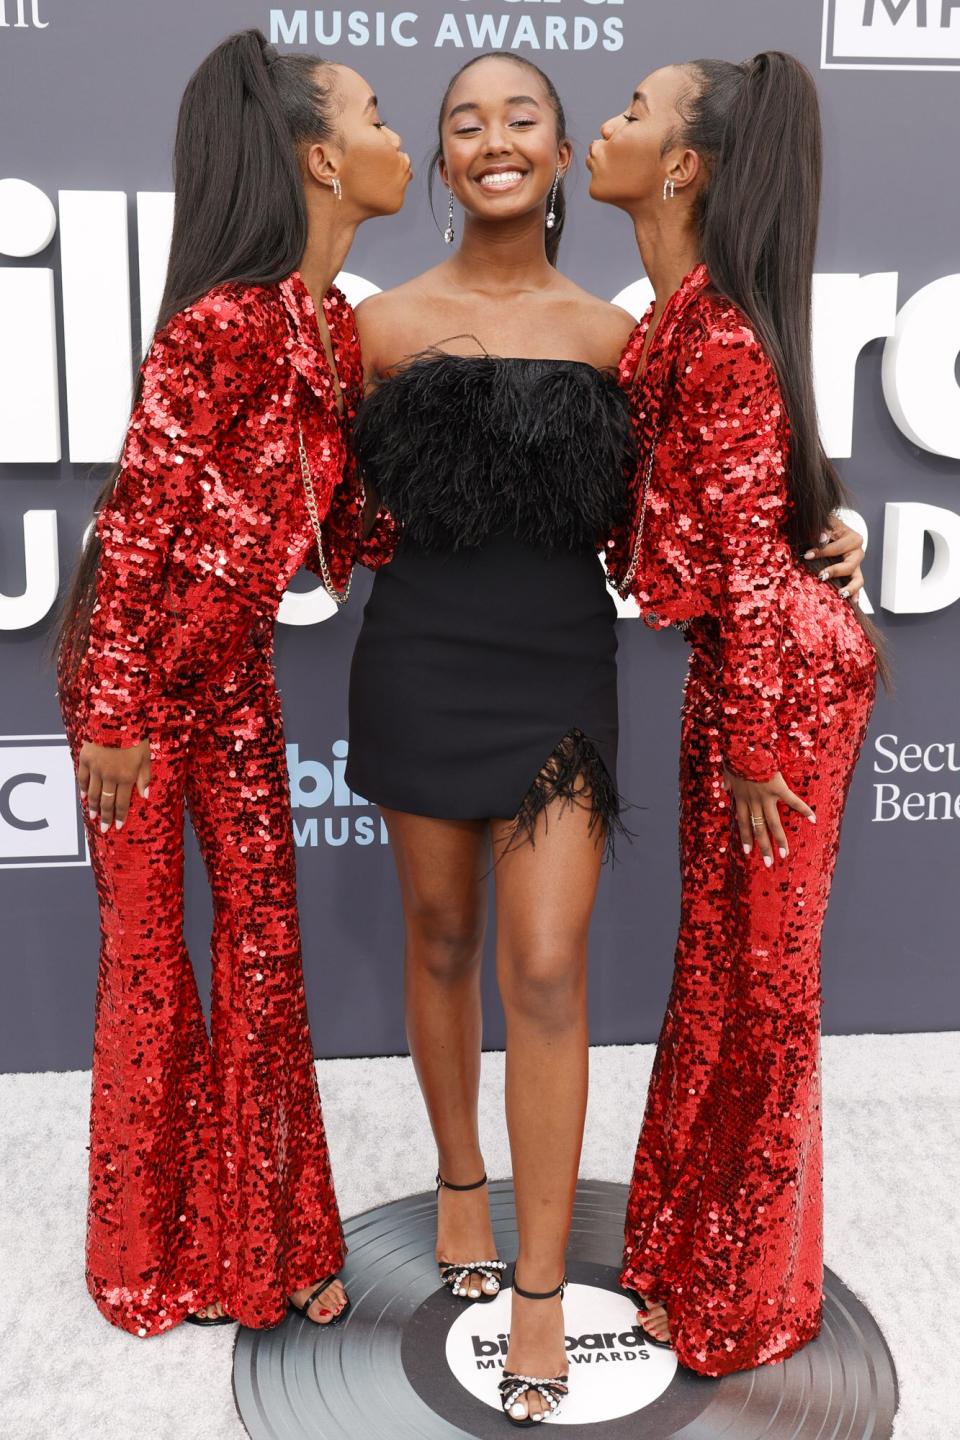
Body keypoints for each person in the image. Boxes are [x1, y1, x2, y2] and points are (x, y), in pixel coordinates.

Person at [346, 52, 866, 1423]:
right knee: (443, 939)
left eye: (524, 117)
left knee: (549, 961)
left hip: (559, 670)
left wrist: (832, 527)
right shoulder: (379, 327)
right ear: (444, 165)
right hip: (415, 662)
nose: (491, 137)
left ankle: (533, 1292)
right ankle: (462, 1180)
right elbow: (310, 512)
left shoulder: (622, 339)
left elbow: (716, 493)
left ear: (566, 156)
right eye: (463, 122)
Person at [55, 28, 410, 1337]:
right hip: (136, 687)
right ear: (321, 156)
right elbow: (139, 532)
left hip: (239, 682)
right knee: (149, 971)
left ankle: (263, 1248)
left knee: (264, 957)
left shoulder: (332, 329)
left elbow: (353, 530)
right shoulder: (216, 326)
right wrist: (112, 715)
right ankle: (147, 1264)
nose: (398, 136)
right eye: (376, 115)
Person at [588, 52, 881, 1376]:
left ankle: (747, 1298)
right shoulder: (680, 321)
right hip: (753, 678)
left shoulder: (713, 334)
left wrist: (758, 747)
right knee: (717, 976)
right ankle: (682, 1256)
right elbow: (752, 524)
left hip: (780, 699)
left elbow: (754, 577)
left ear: (686, 167)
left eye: (635, 112)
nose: (608, 124)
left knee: (762, 991)